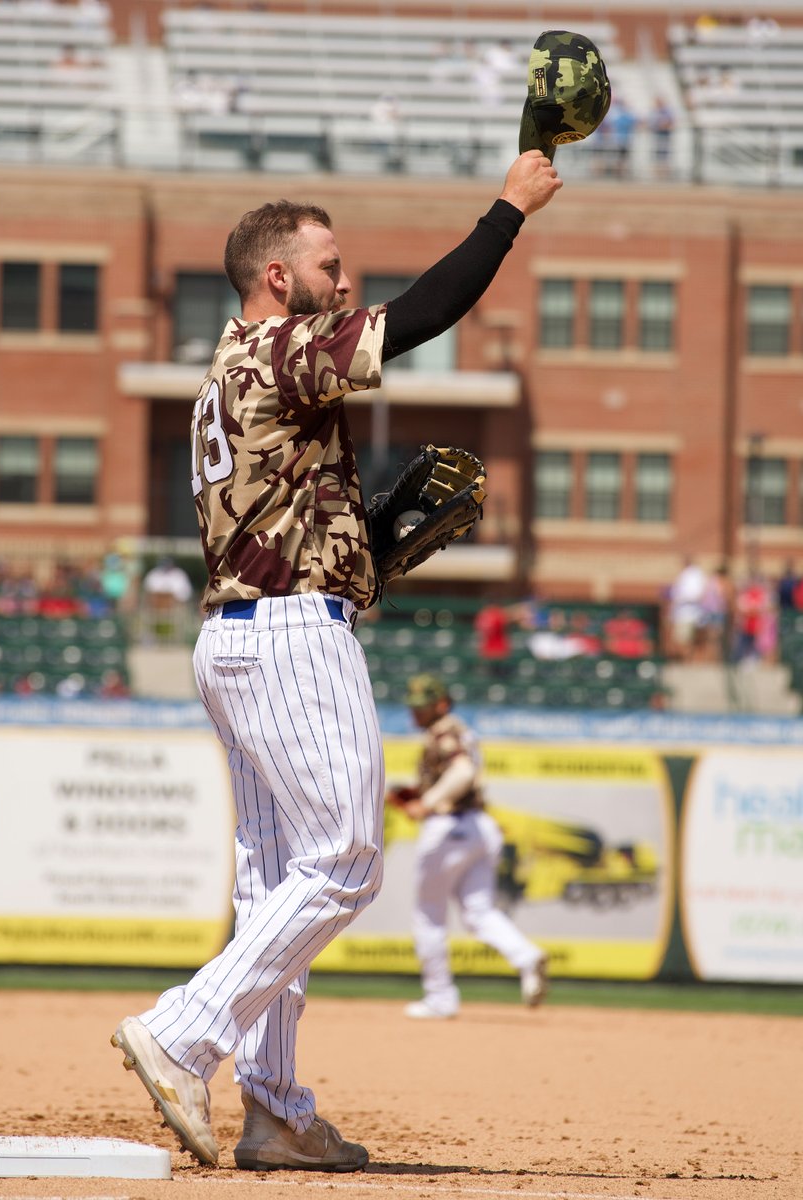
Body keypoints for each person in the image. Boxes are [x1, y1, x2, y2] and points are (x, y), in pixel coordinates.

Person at [111, 149, 561, 1172]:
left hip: (237, 638)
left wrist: (362, 547)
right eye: (330, 265)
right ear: (277, 277)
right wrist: (509, 210)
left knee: (277, 883)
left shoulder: (226, 371)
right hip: (289, 640)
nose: (346, 282)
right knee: (348, 860)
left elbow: (276, 514)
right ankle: (183, 1034)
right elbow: (425, 314)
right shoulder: (283, 348)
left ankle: (273, 1111)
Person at [388, 674, 548, 1019]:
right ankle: (526, 956)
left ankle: (439, 997)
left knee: (428, 915)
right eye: (413, 705)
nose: (415, 712)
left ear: (441, 704)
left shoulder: (444, 734)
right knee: (479, 912)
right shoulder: (459, 731)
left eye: (423, 705)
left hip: (448, 830)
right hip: (479, 827)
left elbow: (462, 774)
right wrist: (417, 794)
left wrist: (426, 802)